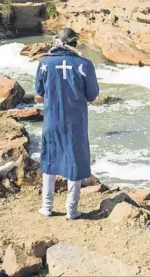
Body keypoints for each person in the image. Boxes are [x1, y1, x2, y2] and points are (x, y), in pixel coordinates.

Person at [35, 27, 100, 219]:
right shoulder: (84, 64)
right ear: (73, 43)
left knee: (50, 158)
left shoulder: (44, 62)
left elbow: (39, 89)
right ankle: (72, 210)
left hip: (51, 118)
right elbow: (92, 94)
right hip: (75, 121)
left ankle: (46, 207)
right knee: (75, 160)